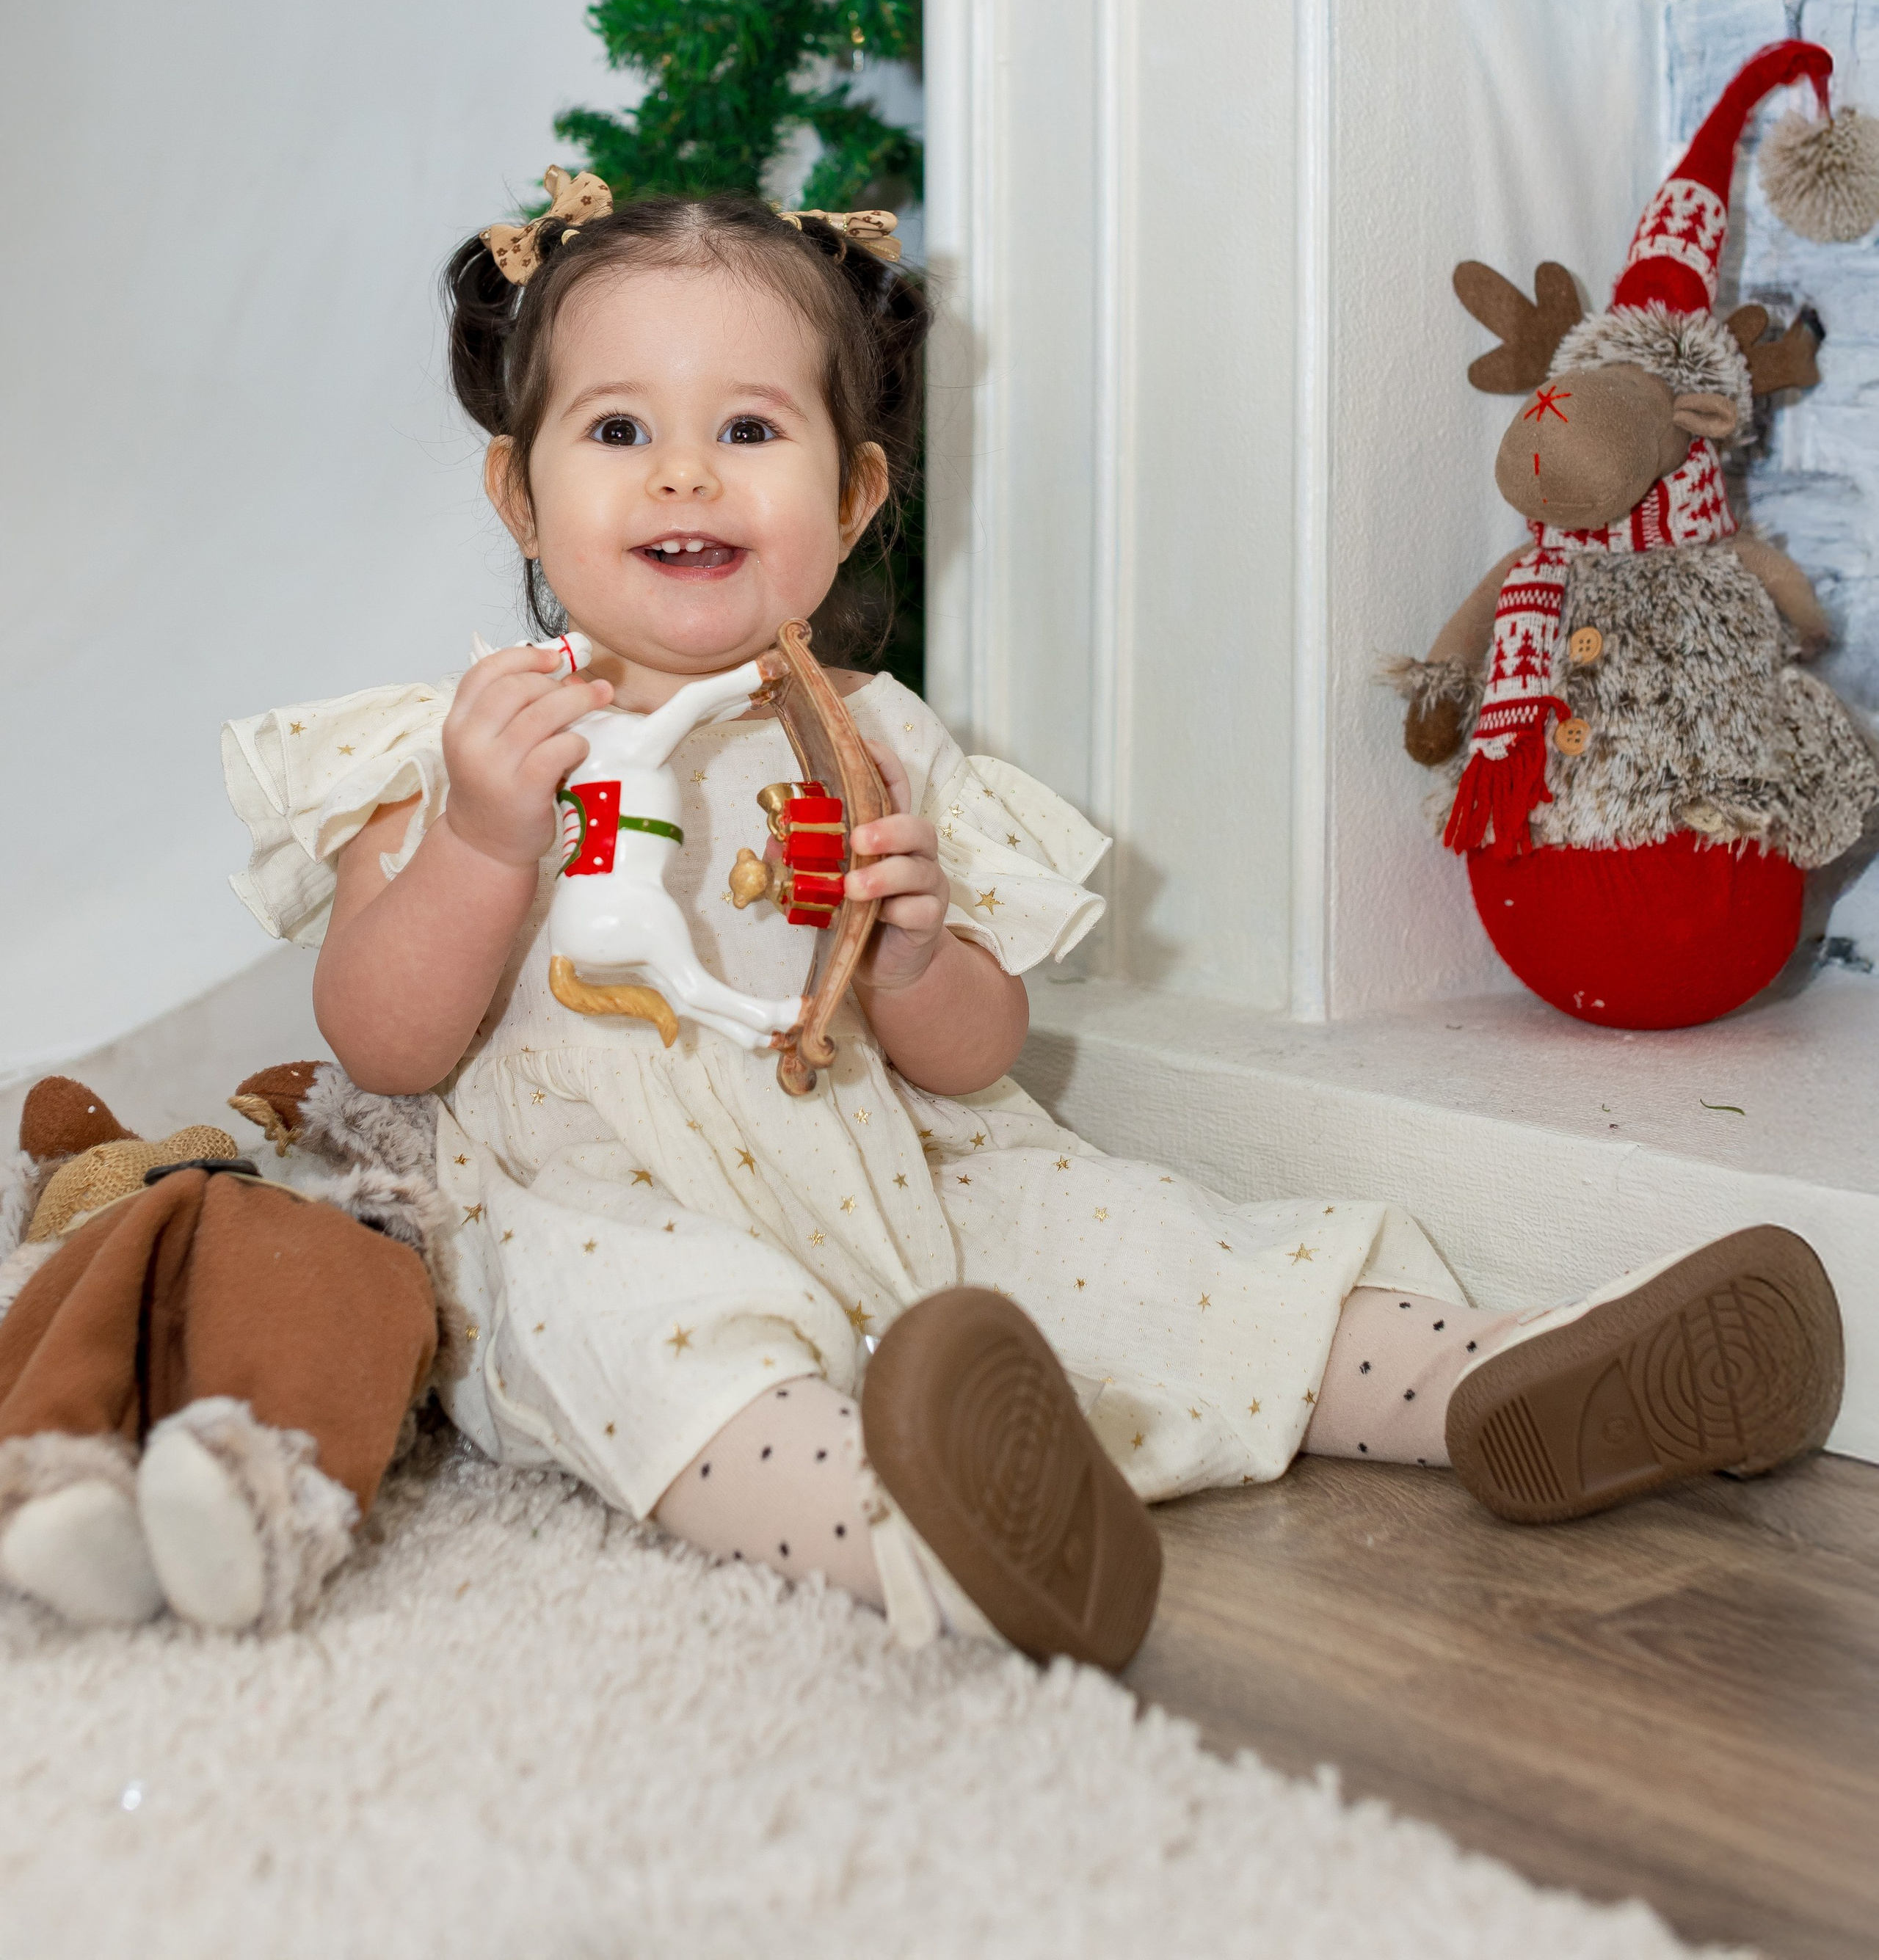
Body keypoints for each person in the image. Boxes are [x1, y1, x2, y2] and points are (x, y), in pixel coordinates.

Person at [221, 180, 1842, 1667]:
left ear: (851, 496)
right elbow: (383, 1035)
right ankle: (929, 1525)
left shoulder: (876, 741)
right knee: (652, 1341)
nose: (684, 472)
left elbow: (971, 1051)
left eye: (749, 428)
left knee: (1151, 1247)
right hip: (601, 1193)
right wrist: (486, 842)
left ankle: (1507, 1374)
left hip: (886, 1175)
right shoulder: (471, 742)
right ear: (520, 491)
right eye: (621, 427)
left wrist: (919, 954)